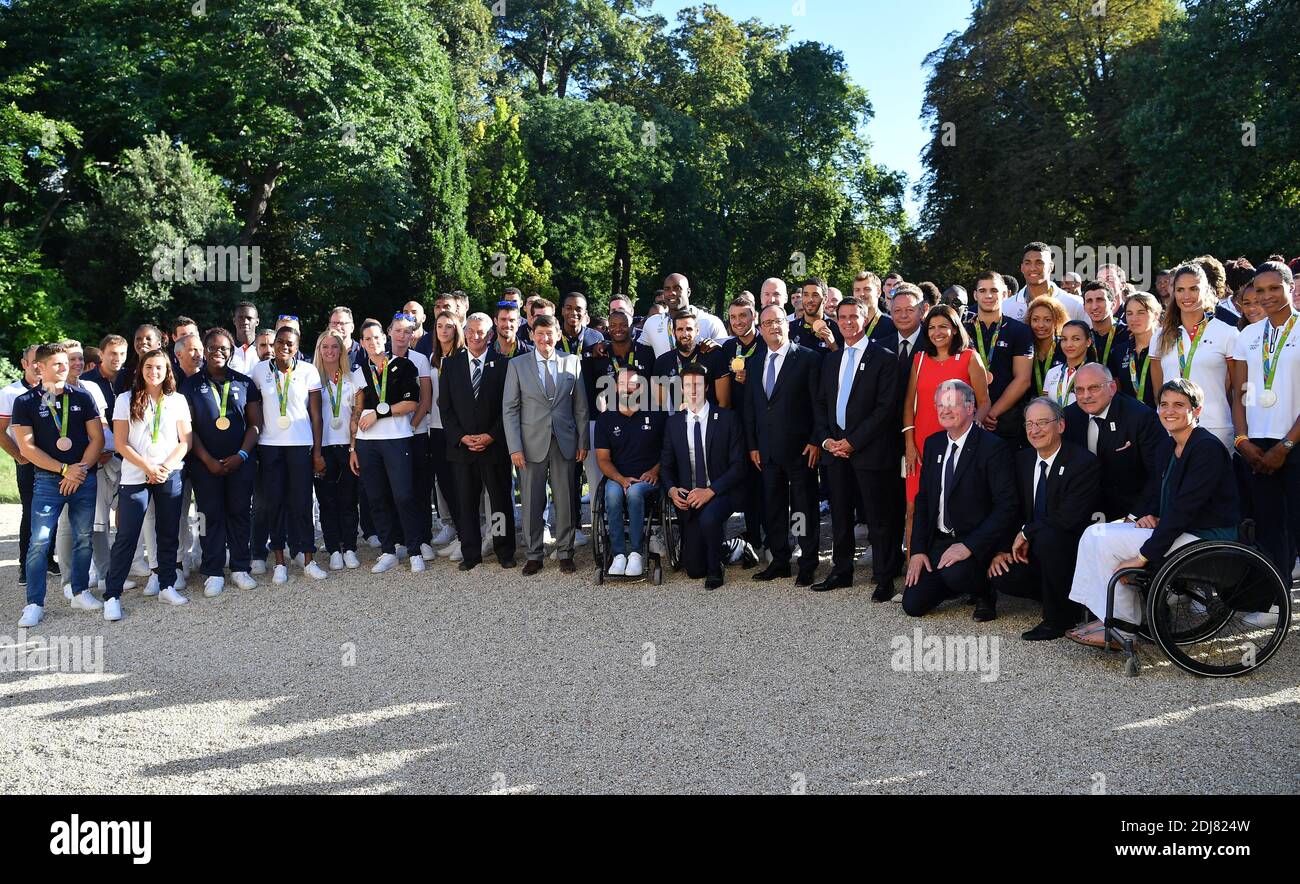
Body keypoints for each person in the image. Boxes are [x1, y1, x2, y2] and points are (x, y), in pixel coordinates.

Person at [1068, 379, 1241, 647]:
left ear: (1196, 411)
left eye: (1179, 405)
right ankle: (1110, 617)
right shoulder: (1168, 445)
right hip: (1180, 528)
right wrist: (1148, 515)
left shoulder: (1206, 448)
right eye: (1164, 405)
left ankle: (1123, 629)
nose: (1169, 411)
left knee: (1104, 542)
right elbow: (1158, 493)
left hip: (1207, 535)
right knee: (1093, 532)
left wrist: (1143, 556)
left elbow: (1186, 508)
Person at [902, 380, 1017, 621]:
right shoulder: (933, 444)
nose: (945, 410)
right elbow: (923, 501)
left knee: (957, 573)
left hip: (975, 543)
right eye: (940, 404)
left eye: (952, 404)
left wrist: (969, 546)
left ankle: (985, 592)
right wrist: (918, 550)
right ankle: (954, 581)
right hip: (940, 541)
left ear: (970, 407)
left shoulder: (992, 448)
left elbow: (1007, 507)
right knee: (912, 604)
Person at [987, 397, 1100, 639]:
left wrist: (1027, 532)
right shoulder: (1021, 461)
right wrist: (1002, 549)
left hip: (1070, 550)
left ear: (1060, 426)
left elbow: (1068, 518)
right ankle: (1062, 597)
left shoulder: (1082, 463)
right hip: (1032, 551)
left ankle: (1058, 619)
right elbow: (1011, 509)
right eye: (1029, 424)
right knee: (1002, 575)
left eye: (1042, 422)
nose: (1034, 430)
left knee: (1050, 537)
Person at [10, 343, 106, 626]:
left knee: (83, 538)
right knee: (39, 542)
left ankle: (79, 591)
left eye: (66, 363)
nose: (65, 368)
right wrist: (65, 470)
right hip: (47, 481)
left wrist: (80, 471)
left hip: (83, 478)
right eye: (57, 364)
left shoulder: (83, 396)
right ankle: (34, 603)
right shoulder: (25, 402)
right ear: (39, 367)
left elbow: (97, 439)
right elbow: (27, 448)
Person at [814, 297, 901, 596]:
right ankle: (841, 571)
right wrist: (827, 440)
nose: (848, 322)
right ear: (836, 321)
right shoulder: (830, 359)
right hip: (835, 452)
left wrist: (852, 442)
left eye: (854, 316)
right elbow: (822, 404)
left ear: (865, 319)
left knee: (879, 516)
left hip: (870, 451)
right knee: (839, 514)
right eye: (843, 317)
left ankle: (885, 577)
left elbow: (885, 409)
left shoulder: (885, 358)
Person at [103, 348, 192, 619]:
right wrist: (147, 467)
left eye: (159, 368)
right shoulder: (125, 399)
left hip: (168, 474)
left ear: (168, 372)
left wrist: (164, 467)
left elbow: (185, 441)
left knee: (167, 533)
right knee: (127, 536)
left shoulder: (177, 400)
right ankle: (112, 595)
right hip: (135, 476)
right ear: (140, 370)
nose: (154, 372)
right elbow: (120, 443)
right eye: (149, 367)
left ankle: (166, 585)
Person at [1231, 262, 1299, 588]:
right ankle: (1277, 599)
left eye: (1275, 288)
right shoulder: (1248, 334)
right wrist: (1243, 440)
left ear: (1290, 287)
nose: (1267, 296)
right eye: (1260, 290)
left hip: (1294, 442)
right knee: (1269, 526)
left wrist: (1285, 445)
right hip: (1257, 445)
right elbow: (1239, 393)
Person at [504, 314, 589, 574]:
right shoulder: (518, 365)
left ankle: (565, 552)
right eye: (539, 333)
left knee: (565, 499)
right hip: (530, 445)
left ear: (558, 334)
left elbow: (581, 408)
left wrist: (582, 441)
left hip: (564, 442)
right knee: (531, 501)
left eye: (549, 333)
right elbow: (510, 409)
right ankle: (534, 553)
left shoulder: (572, 362)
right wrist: (514, 447)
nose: (545, 339)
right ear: (532, 335)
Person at [181, 327, 264, 595]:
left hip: (240, 462)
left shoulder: (244, 382)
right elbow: (188, 428)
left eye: (224, 349)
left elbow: (255, 425)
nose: (218, 353)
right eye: (213, 348)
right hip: (204, 464)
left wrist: (241, 455)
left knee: (240, 512)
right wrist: (207, 460)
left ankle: (240, 567)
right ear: (204, 351)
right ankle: (213, 570)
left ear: (231, 352)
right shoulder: (190, 385)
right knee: (208, 515)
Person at [746, 305, 822, 587]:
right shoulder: (755, 362)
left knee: (802, 508)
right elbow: (751, 407)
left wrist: (816, 439)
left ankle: (807, 563)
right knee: (773, 507)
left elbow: (818, 404)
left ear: (788, 324)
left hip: (800, 450)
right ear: (760, 328)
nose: (773, 327)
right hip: (765, 451)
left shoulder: (807, 359)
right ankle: (779, 561)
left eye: (778, 321)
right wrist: (752, 444)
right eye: (767, 323)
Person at [439, 312, 518, 571]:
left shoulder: (504, 364)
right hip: (463, 448)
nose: (475, 336)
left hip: (493, 446)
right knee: (466, 503)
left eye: (481, 332)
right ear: (465, 332)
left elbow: (508, 407)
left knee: (499, 503)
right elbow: (446, 408)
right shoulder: (450, 365)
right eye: (471, 331)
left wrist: (491, 435)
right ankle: (470, 552)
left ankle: (504, 550)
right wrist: (461, 437)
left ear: (490, 334)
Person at [252, 327, 328, 583]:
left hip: (300, 444)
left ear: (297, 347)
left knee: (303, 503)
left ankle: (308, 558)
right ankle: (280, 563)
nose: (285, 347)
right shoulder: (259, 371)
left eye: (290, 344)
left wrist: (317, 451)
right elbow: (254, 410)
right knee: (274, 504)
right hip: (269, 445)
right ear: (272, 345)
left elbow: (316, 415)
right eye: (280, 343)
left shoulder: (308, 371)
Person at [349, 319, 423, 575]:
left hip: (397, 439)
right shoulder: (358, 372)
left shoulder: (404, 366)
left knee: (403, 495)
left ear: (385, 337)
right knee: (376, 498)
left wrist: (380, 414)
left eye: (376, 337)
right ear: (362, 344)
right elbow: (357, 412)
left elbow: (412, 404)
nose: (373, 342)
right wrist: (353, 448)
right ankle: (388, 550)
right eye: (367, 339)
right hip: (367, 444)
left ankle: (414, 551)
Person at [662, 365, 745, 589]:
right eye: (688, 386)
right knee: (694, 571)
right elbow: (666, 466)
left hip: (720, 492)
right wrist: (671, 490)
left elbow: (739, 466)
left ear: (707, 387)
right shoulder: (674, 423)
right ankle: (733, 546)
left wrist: (710, 491)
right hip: (689, 498)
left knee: (709, 519)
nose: (693, 391)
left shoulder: (727, 418)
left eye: (698, 385)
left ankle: (716, 568)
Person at [902, 305, 990, 509]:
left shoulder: (970, 357)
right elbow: (908, 404)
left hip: (958, 443)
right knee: (914, 508)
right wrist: (909, 444)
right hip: (920, 444)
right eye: (931, 327)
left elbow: (984, 401)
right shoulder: (920, 359)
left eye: (943, 326)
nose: (937, 332)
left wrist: (973, 427)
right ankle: (914, 543)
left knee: (955, 507)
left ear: (955, 328)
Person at [1150, 262, 1239, 447]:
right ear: (1173, 293)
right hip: (1172, 427)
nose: (1186, 296)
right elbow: (1158, 389)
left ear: (1206, 290)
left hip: (1215, 426)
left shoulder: (1228, 333)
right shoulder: (1160, 336)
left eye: (1194, 289)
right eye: (1180, 290)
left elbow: (1235, 387)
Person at [1063, 363, 1163, 523]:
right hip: (1083, 510)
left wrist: (1135, 516)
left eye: (1094, 388)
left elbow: (1158, 474)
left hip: (1130, 512)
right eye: (1079, 390)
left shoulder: (1140, 418)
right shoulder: (1069, 417)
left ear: (1112, 388)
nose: (1086, 395)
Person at [52, 340, 113, 593]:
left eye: (79, 358)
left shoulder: (91, 388)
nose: (76, 363)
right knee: (67, 524)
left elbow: (104, 426)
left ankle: (104, 573)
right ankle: (69, 580)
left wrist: (105, 449)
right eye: (71, 359)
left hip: (94, 462)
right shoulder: (51, 391)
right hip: (65, 468)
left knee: (97, 521)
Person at [595, 370, 667, 577]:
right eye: (623, 384)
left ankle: (636, 553)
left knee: (635, 493)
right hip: (618, 476)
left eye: (633, 384)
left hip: (649, 477)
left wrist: (655, 470)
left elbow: (668, 451)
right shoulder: (605, 419)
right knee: (612, 494)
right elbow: (603, 459)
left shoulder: (657, 415)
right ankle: (619, 554)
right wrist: (620, 479)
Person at [718, 296, 766, 558]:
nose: (738, 322)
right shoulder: (726, 348)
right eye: (733, 317)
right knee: (743, 480)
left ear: (754, 316)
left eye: (743, 316)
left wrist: (752, 379)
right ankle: (752, 535)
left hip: (762, 425)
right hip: (736, 426)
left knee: (764, 482)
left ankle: (770, 537)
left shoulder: (766, 344)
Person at [310, 329, 360, 571]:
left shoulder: (353, 379)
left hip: (347, 447)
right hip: (322, 447)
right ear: (319, 351)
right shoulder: (311, 380)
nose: (330, 351)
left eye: (334, 346)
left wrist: (354, 448)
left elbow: (357, 415)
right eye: (325, 347)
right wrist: (315, 453)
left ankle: (349, 547)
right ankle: (333, 549)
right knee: (327, 501)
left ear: (342, 350)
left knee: (349, 500)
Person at [966, 271, 1033, 445]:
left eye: (994, 290)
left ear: (1005, 294)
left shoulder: (1020, 330)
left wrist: (990, 413)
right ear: (975, 295)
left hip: (1005, 420)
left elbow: (1023, 379)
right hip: (965, 417)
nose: (988, 295)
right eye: (982, 290)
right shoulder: (962, 331)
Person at [1, 345, 47, 590]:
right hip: (28, 462)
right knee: (31, 512)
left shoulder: (52, 390)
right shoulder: (10, 393)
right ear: (24, 364)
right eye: (34, 362)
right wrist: (20, 457)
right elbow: (0, 432)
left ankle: (48, 560)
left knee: (54, 512)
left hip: (52, 461)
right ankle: (25, 565)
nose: (39, 366)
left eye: (43, 362)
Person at [388, 312, 435, 557]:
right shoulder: (380, 360)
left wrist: (412, 425)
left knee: (419, 485)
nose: (402, 335)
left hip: (415, 431)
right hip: (389, 435)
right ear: (389, 332)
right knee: (396, 488)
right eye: (398, 330)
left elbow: (425, 398)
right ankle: (399, 539)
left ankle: (423, 537)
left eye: (407, 331)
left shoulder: (420, 359)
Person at [427, 310, 466, 557]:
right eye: (439, 326)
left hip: (457, 430)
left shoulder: (462, 357)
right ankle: (461, 534)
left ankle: (467, 536)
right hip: (436, 429)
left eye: (448, 326)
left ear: (456, 329)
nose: (443, 330)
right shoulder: (433, 357)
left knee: (461, 484)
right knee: (446, 485)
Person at [653, 308, 731, 411]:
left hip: (709, 422)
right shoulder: (663, 361)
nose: (685, 334)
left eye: (689, 329)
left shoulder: (714, 356)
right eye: (680, 329)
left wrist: (713, 426)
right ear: (673, 332)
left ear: (697, 331)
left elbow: (724, 403)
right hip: (679, 423)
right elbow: (660, 405)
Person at [640, 273, 726, 358]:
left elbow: (726, 355)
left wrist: (718, 347)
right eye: (667, 289)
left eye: (677, 288)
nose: (671, 293)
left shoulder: (711, 322)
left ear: (688, 292)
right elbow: (639, 354)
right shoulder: (652, 323)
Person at [1003, 242, 1087, 324]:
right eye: (1028, 263)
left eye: (1039, 263)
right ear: (1022, 268)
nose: (1033, 268)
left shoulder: (1075, 304)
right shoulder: (1006, 307)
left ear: (1051, 267)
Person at [1113, 291, 1163, 409]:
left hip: (1162, 419)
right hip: (1130, 422)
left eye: (1141, 312)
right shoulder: (1119, 351)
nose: (1134, 318)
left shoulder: (1166, 348)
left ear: (1156, 315)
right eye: (1129, 313)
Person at [1041, 319, 1092, 407]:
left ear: (1088, 342)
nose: (1069, 344)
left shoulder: (1096, 373)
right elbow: (1046, 407)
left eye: (1076, 339)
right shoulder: (1052, 373)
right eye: (1064, 339)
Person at [1026, 295, 1068, 397]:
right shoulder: (1025, 347)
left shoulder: (1066, 347)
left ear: (1057, 321)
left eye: (1047, 320)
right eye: (1035, 320)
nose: (1041, 325)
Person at [1082, 281, 1131, 368]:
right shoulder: (1085, 338)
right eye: (1089, 301)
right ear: (1084, 307)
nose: (1094, 306)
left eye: (1100, 300)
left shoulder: (1128, 333)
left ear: (1113, 304)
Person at [788, 277, 843, 353]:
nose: (810, 300)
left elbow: (843, 362)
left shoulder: (837, 330)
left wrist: (833, 346)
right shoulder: (790, 329)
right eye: (806, 295)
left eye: (815, 295)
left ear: (825, 299)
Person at [850, 272, 897, 344]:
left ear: (878, 292)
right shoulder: (848, 325)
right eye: (857, 290)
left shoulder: (892, 325)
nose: (861, 294)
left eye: (867, 289)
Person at [229, 301, 262, 375]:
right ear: (234, 320)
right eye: (240, 318)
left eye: (249, 318)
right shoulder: (227, 348)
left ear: (257, 322)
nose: (245, 321)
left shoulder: (265, 347)